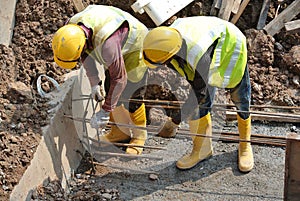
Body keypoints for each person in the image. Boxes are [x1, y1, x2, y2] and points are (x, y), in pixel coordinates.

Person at [142, 16, 253, 172]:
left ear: (169, 57)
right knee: (202, 102)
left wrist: (174, 122)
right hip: (208, 43)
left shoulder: (199, 56)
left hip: (230, 44)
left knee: (240, 99)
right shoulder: (166, 40)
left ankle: (245, 144)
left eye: (160, 64)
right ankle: (203, 150)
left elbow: (197, 95)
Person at [51, 5, 149, 155]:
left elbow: (120, 79)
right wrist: (95, 83)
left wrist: (105, 110)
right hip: (114, 41)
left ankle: (139, 136)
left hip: (136, 46)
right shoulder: (71, 31)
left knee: (132, 95)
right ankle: (120, 132)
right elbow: (85, 55)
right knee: (111, 88)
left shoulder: (107, 45)